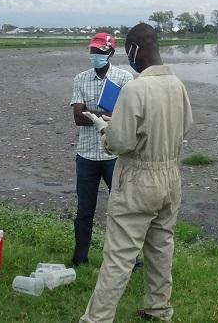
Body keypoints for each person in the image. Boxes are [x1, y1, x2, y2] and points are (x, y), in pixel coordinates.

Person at [79, 23, 193, 323]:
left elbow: (120, 143)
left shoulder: (135, 88)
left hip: (139, 177)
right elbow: (186, 126)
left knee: (119, 255)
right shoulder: (177, 84)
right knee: (161, 246)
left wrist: (105, 127)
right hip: (170, 175)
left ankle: (97, 319)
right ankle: (158, 308)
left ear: (132, 50)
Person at [69, 32, 134, 267]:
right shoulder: (80, 79)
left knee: (123, 209)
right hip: (86, 155)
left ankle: (130, 259)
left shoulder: (124, 78)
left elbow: (127, 115)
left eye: (100, 52)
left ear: (110, 53)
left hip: (114, 154)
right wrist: (106, 116)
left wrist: (92, 114)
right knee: (84, 211)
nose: (95, 55)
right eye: (92, 51)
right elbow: (78, 117)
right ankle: (80, 259)